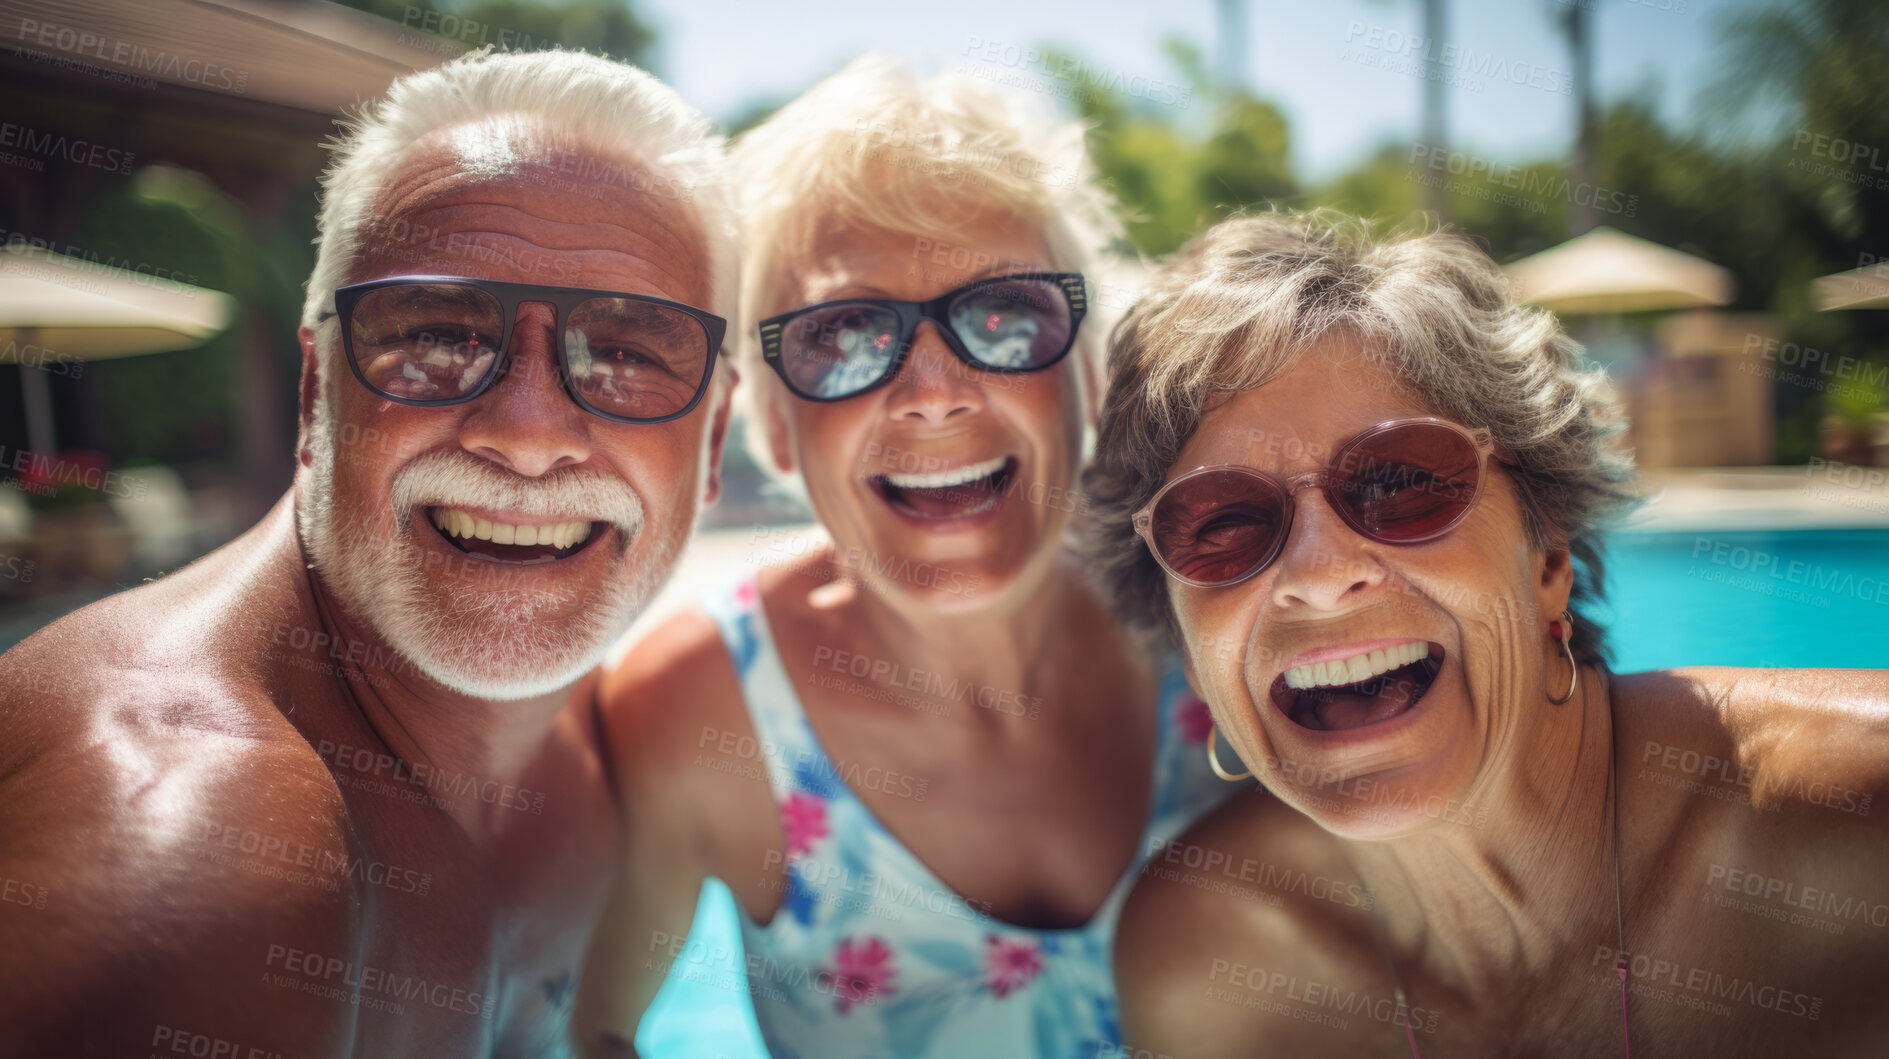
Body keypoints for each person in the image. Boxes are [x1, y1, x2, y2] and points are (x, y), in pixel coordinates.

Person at [0, 48, 735, 1056]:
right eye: (435, 333)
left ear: (714, 444)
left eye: (626, 352)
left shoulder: (604, 755)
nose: (526, 433)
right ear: (316, 397)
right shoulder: (207, 860)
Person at [1087, 211, 1889, 1056]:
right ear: (1187, 644)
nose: (1319, 576)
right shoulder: (1204, 962)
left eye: (1397, 481)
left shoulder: (1861, 833)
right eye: (1221, 524)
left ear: (1546, 553)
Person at [575, 55, 1229, 1058]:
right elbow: (586, 1033)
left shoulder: (1214, 606)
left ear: (1089, 375)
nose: (934, 390)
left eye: (1007, 318)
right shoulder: (695, 711)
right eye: (843, 336)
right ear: (773, 426)